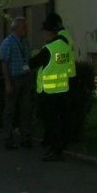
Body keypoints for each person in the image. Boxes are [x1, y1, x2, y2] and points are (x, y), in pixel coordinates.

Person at [29, 18, 73, 161]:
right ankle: (58, 148)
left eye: (45, 33)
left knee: (51, 123)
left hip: (49, 93)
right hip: (63, 89)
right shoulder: (65, 45)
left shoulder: (48, 49)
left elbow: (33, 63)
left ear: (49, 33)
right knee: (60, 121)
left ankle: (55, 150)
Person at [0, 17, 33, 149]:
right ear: (17, 28)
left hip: (26, 77)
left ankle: (26, 137)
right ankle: (8, 138)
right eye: (24, 27)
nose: (26, 29)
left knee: (26, 109)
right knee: (10, 110)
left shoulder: (24, 41)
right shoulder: (8, 43)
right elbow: (4, 63)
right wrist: (7, 83)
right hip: (14, 78)